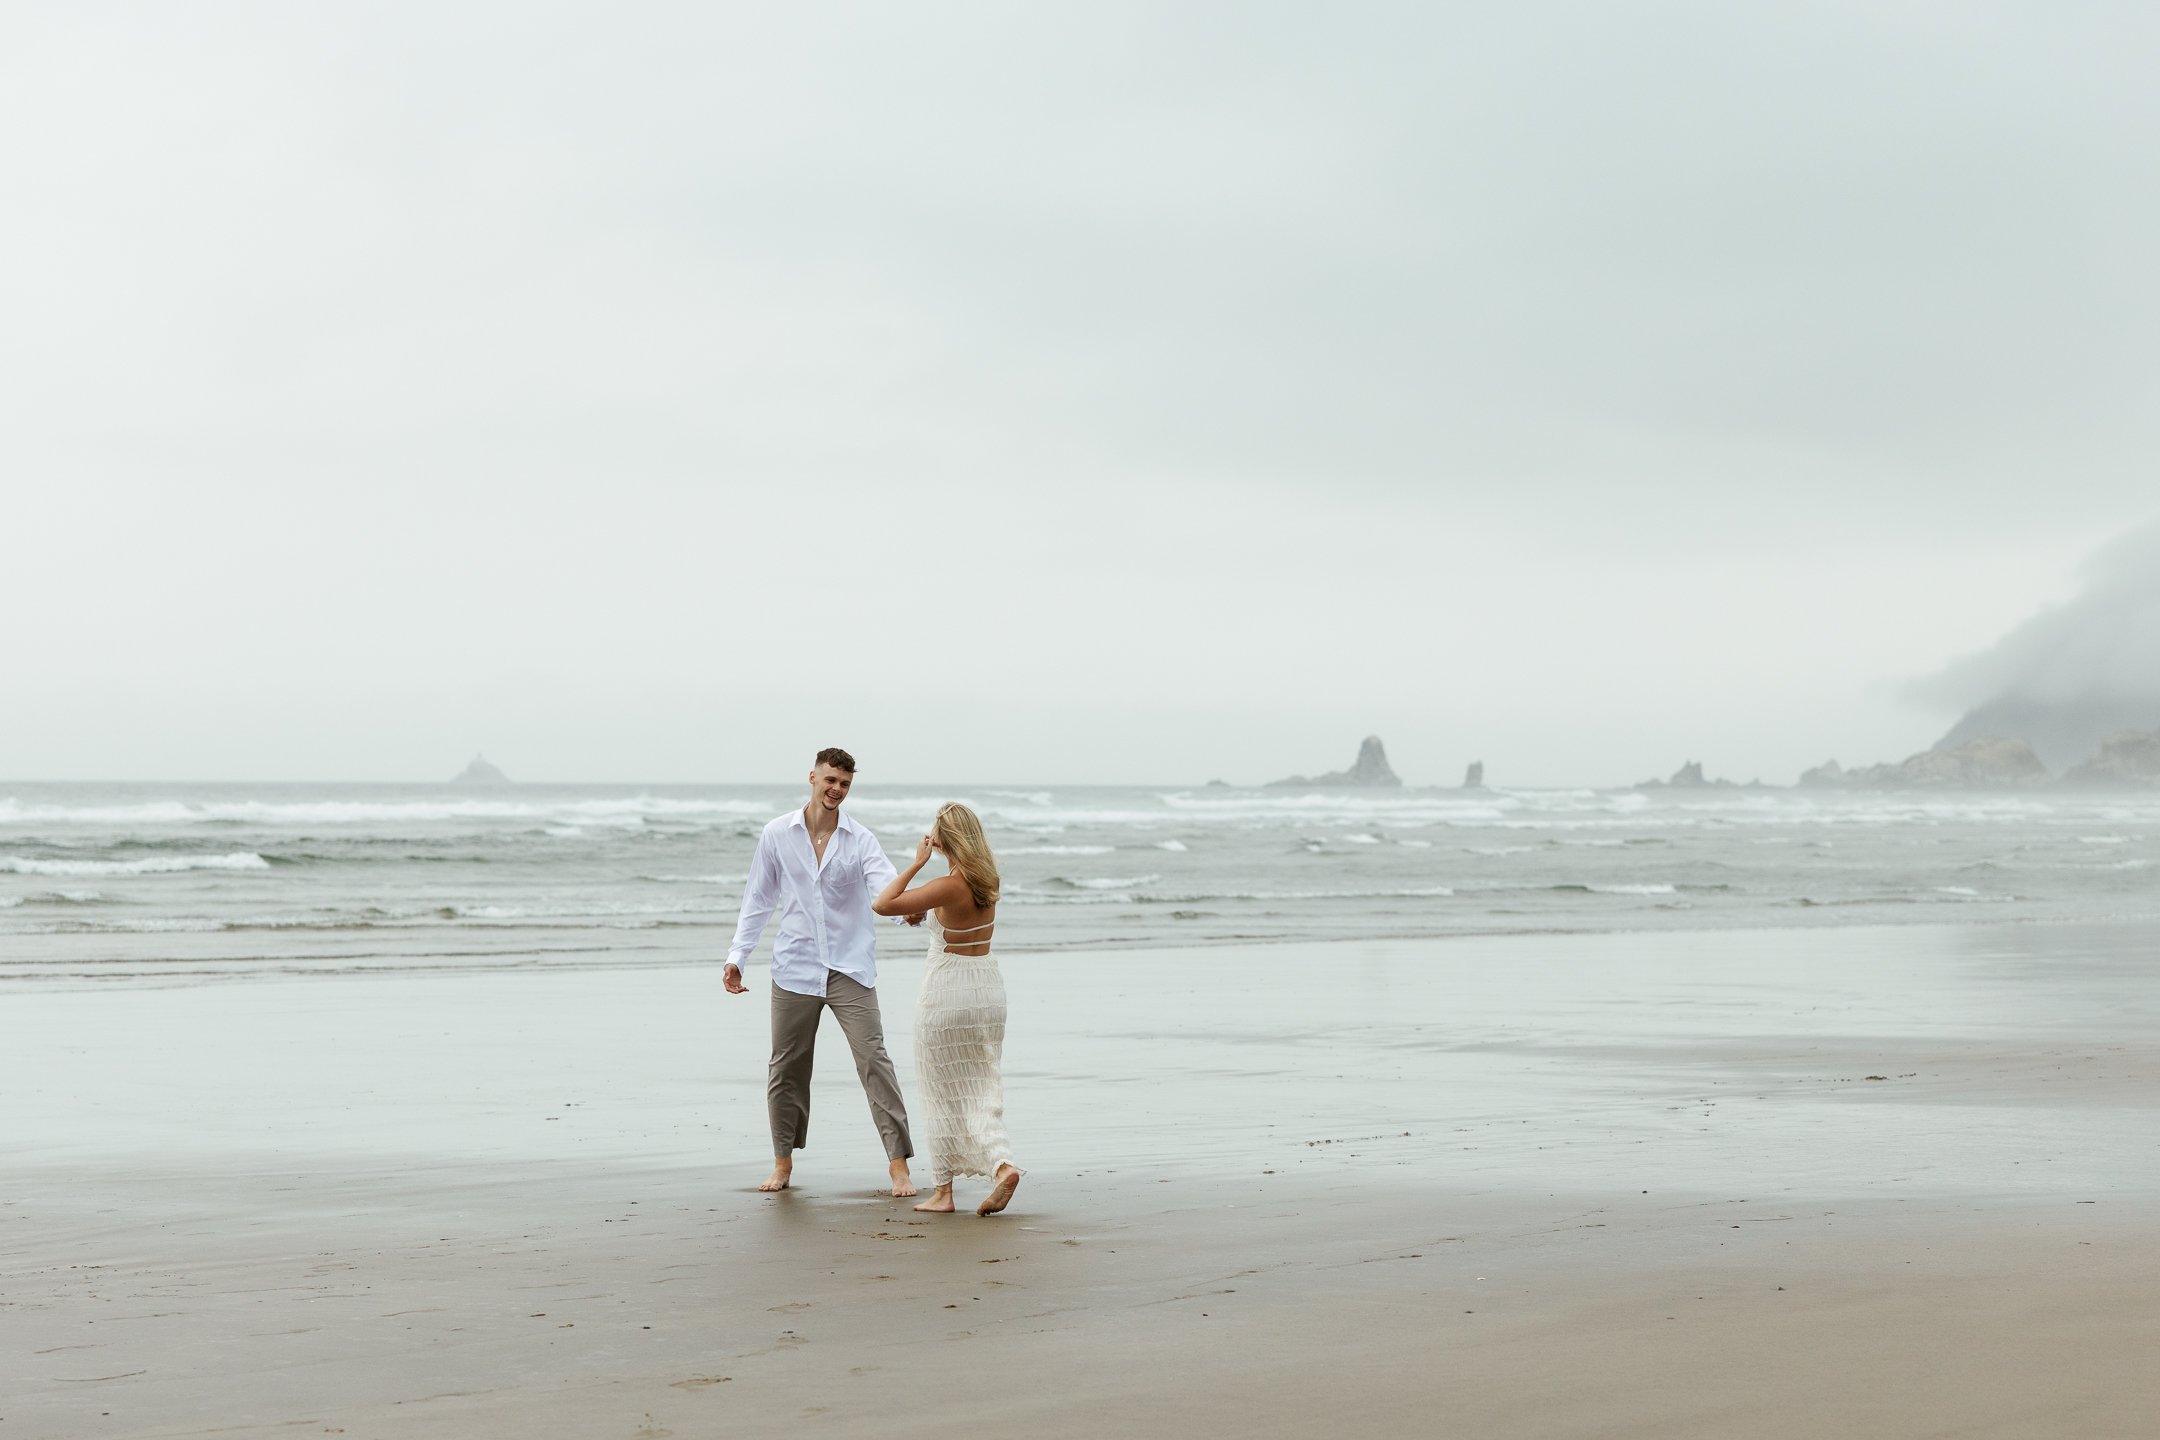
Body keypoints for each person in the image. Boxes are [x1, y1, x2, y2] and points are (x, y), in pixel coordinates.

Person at [723, 748, 918, 1198]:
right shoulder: (777, 834)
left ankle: (898, 1167)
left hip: (850, 966)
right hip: (795, 967)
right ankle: (782, 1162)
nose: (836, 790)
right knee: (787, 1067)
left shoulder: (860, 839)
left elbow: (884, 886)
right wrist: (738, 956)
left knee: (874, 1060)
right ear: (812, 777)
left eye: (845, 784)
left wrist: (909, 914)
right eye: (830, 780)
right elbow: (758, 900)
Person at [872, 801, 1023, 1216]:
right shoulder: (987, 881)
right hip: (987, 989)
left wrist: (917, 863)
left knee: (940, 1091)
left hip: (948, 991)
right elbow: (948, 917)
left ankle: (944, 1193)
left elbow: (883, 904)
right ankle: (1002, 1163)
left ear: (943, 840)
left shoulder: (948, 884)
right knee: (981, 1087)